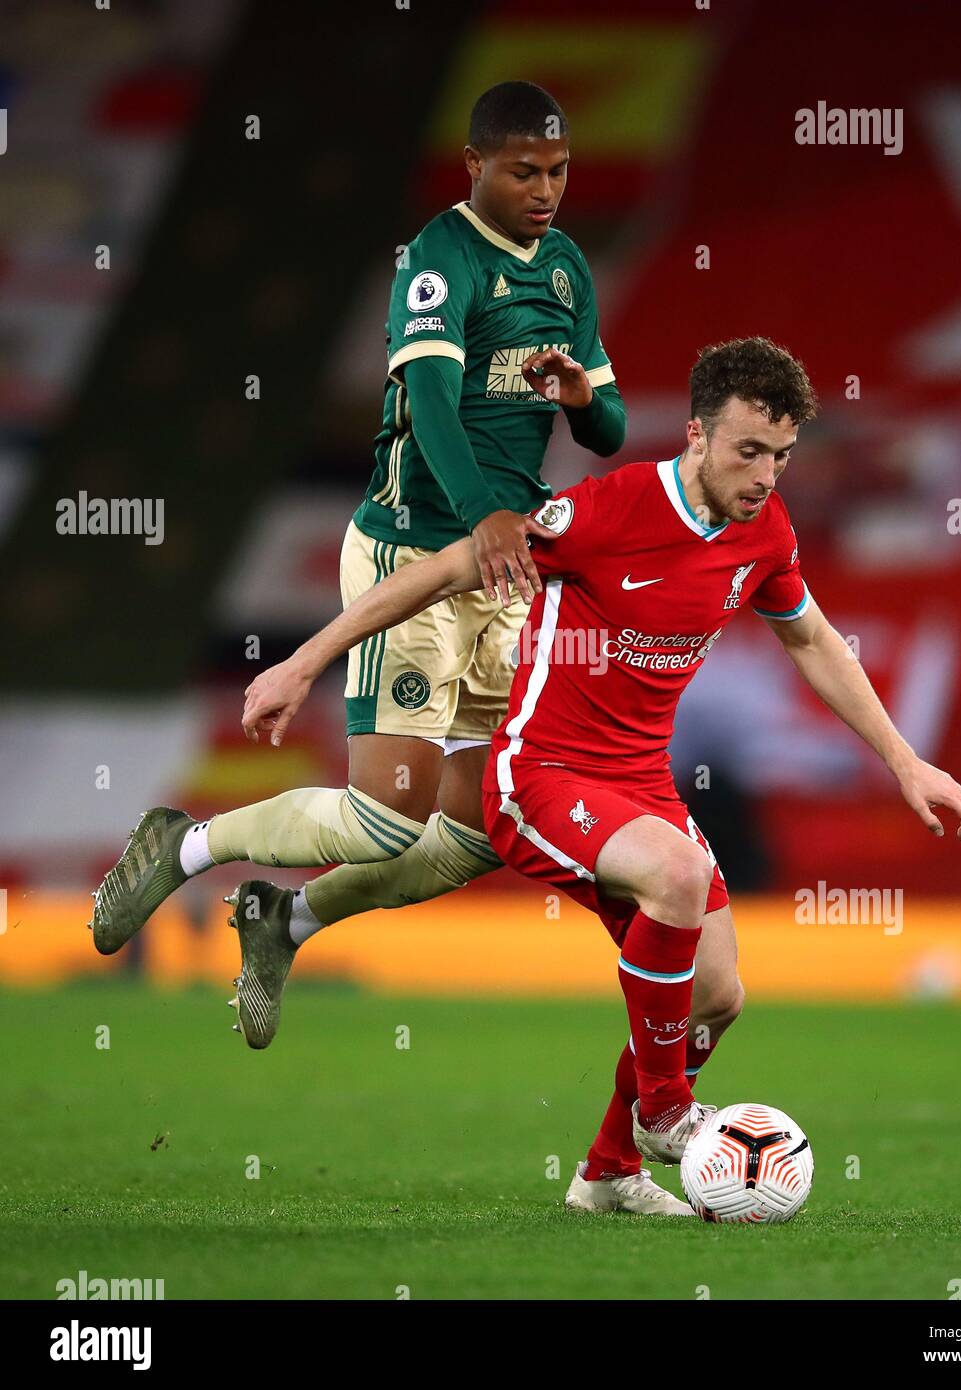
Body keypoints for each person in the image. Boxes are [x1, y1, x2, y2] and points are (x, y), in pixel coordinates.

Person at [236, 336, 961, 1214]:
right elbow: (445, 570)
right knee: (677, 873)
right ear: (696, 435)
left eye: (781, 455)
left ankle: (609, 1175)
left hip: (640, 785)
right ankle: (667, 1115)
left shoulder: (764, 531)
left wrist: (905, 761)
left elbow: (811, 638)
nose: (766, 475)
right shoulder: (606, 510)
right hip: (538, 774)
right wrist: (303, 662)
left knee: (719, 996)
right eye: (748, 451)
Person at [90, 80, 625, 1023]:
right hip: (410, 553)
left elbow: (612, 430)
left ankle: (283, 923)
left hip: (504, 574)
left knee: (482, 830)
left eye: (559, 170)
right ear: (475, 167)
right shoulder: (438, 261)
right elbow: (427, 405)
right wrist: (481, 516)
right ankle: (179, 847)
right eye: (524, 171)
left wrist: (581, 397)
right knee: (385, 820)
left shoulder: (569, 269)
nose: (545, 189)